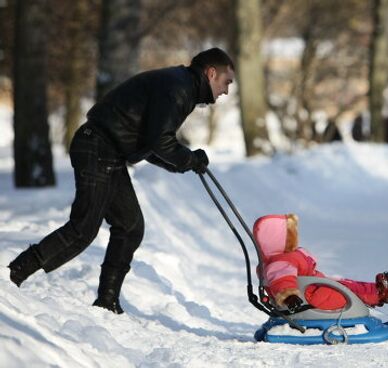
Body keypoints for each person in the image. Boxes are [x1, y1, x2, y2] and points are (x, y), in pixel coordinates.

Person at [7, 47, 235, 314]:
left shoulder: (180, 84)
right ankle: (14, 273)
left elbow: (151, 140)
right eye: (226, 82)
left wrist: (182, 164)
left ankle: (107, 302)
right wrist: (188, 159)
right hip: (97, 146)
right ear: (211, 73)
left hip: (107, 151)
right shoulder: (179, 88)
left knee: (130, 227)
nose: (226, 91)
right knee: (83, 228)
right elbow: (159, 141)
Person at [253, 214, 388, 311]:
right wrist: (290, 297)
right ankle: (376, 295)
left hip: (315, 286)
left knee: (343, 282)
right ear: (277, 239)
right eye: (290, 236)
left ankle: (376, 290)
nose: (295, 238)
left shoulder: (283, 257)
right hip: (310, 296)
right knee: (346, 293)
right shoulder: (279, 262)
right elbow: (282, 280)